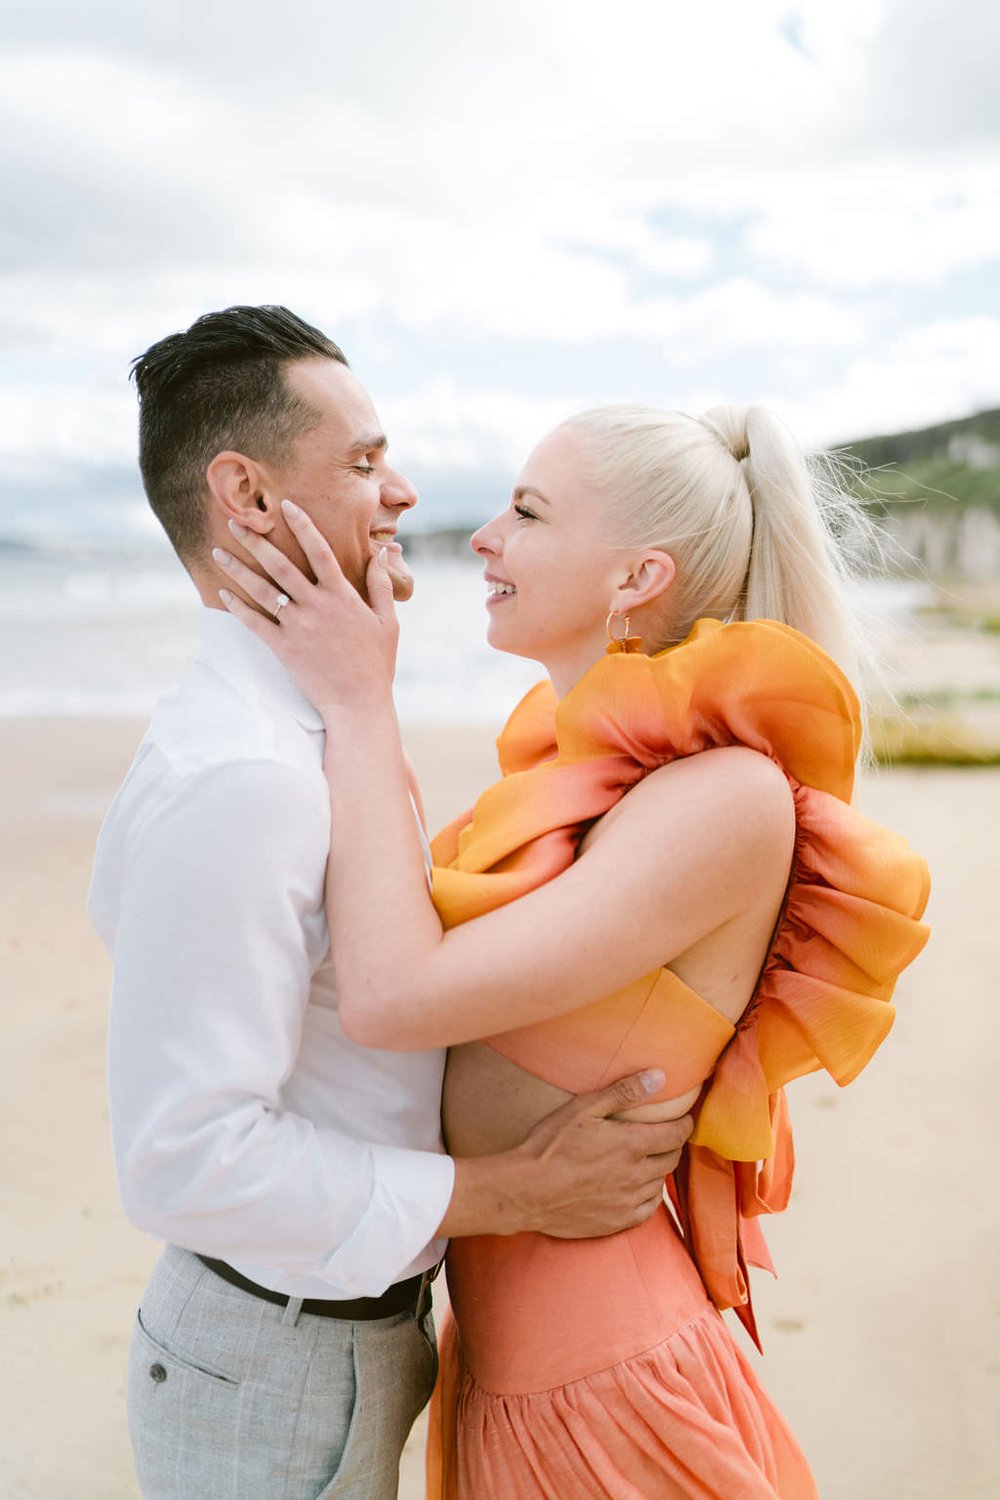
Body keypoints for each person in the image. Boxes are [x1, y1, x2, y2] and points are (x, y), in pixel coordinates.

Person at [214, 397, 930, 1498]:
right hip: (511, 1376)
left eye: (528, 513)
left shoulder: (725, 798)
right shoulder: (570, 787)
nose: (486, 539)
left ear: (635, 578)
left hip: (608, 1386)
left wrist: (360, 698)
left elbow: (394, 997)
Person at [88, 306, 696, 1500]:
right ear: (249, 497)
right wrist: (512, 1191)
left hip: (343, 1333)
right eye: (365, 462)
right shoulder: (253, 777)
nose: (405, 492)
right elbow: (181, 1161)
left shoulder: (311, 725)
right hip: (273, 1357)